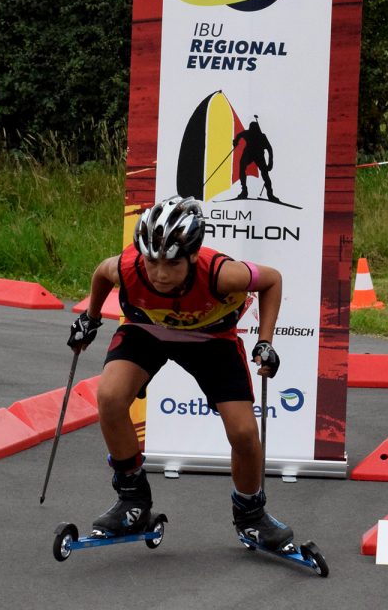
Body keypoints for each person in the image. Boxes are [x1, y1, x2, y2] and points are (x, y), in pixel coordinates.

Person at [67, 196, 297, 550]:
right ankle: (132, 502)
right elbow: (101, 272)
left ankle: (251, 516)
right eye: (152, 261)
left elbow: (273, 280)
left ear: (192, 256)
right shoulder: (129, 267)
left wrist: (265, 342)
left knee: (244, 432)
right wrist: (91, 318)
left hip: (211, 339)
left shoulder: (220, 273)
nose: (159, 273)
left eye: (172, 263)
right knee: (110, 398)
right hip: (146, 331)